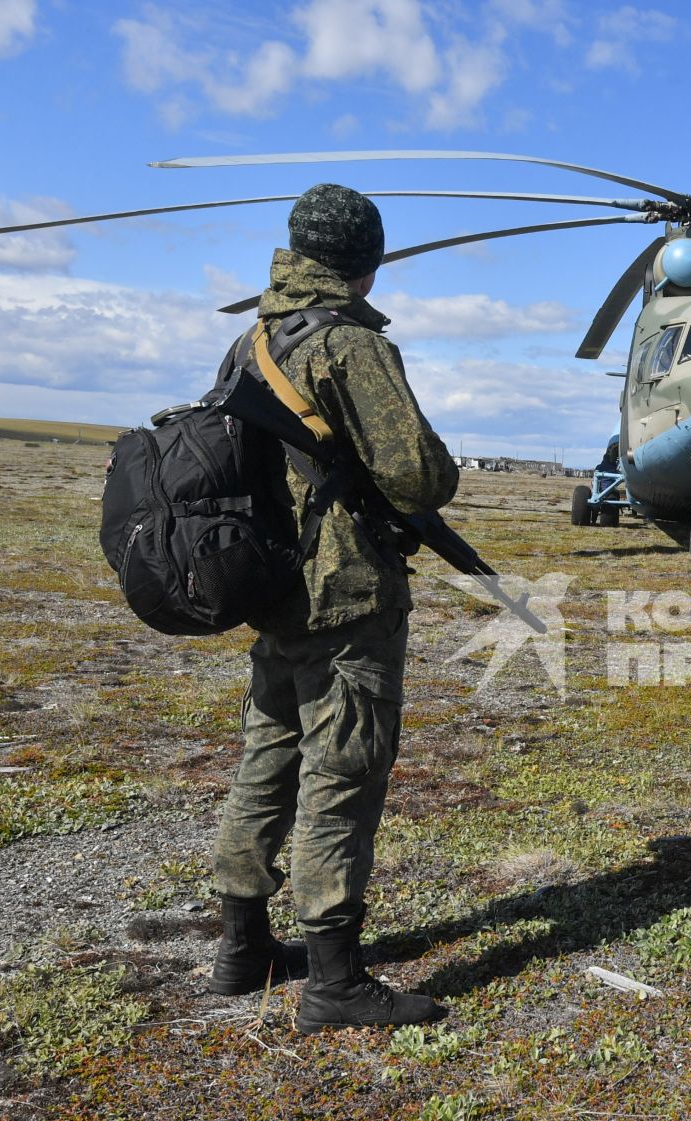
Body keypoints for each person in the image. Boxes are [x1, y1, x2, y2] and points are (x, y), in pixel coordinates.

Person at [208, 184, 460, 1031]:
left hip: (273, 588)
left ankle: (241, 947)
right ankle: (334, 979)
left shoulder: (251, 340)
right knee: (343, 776)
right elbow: (418, 477)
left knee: (266, 760)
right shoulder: (348, 344)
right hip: (344, 595)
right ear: (367, 259)